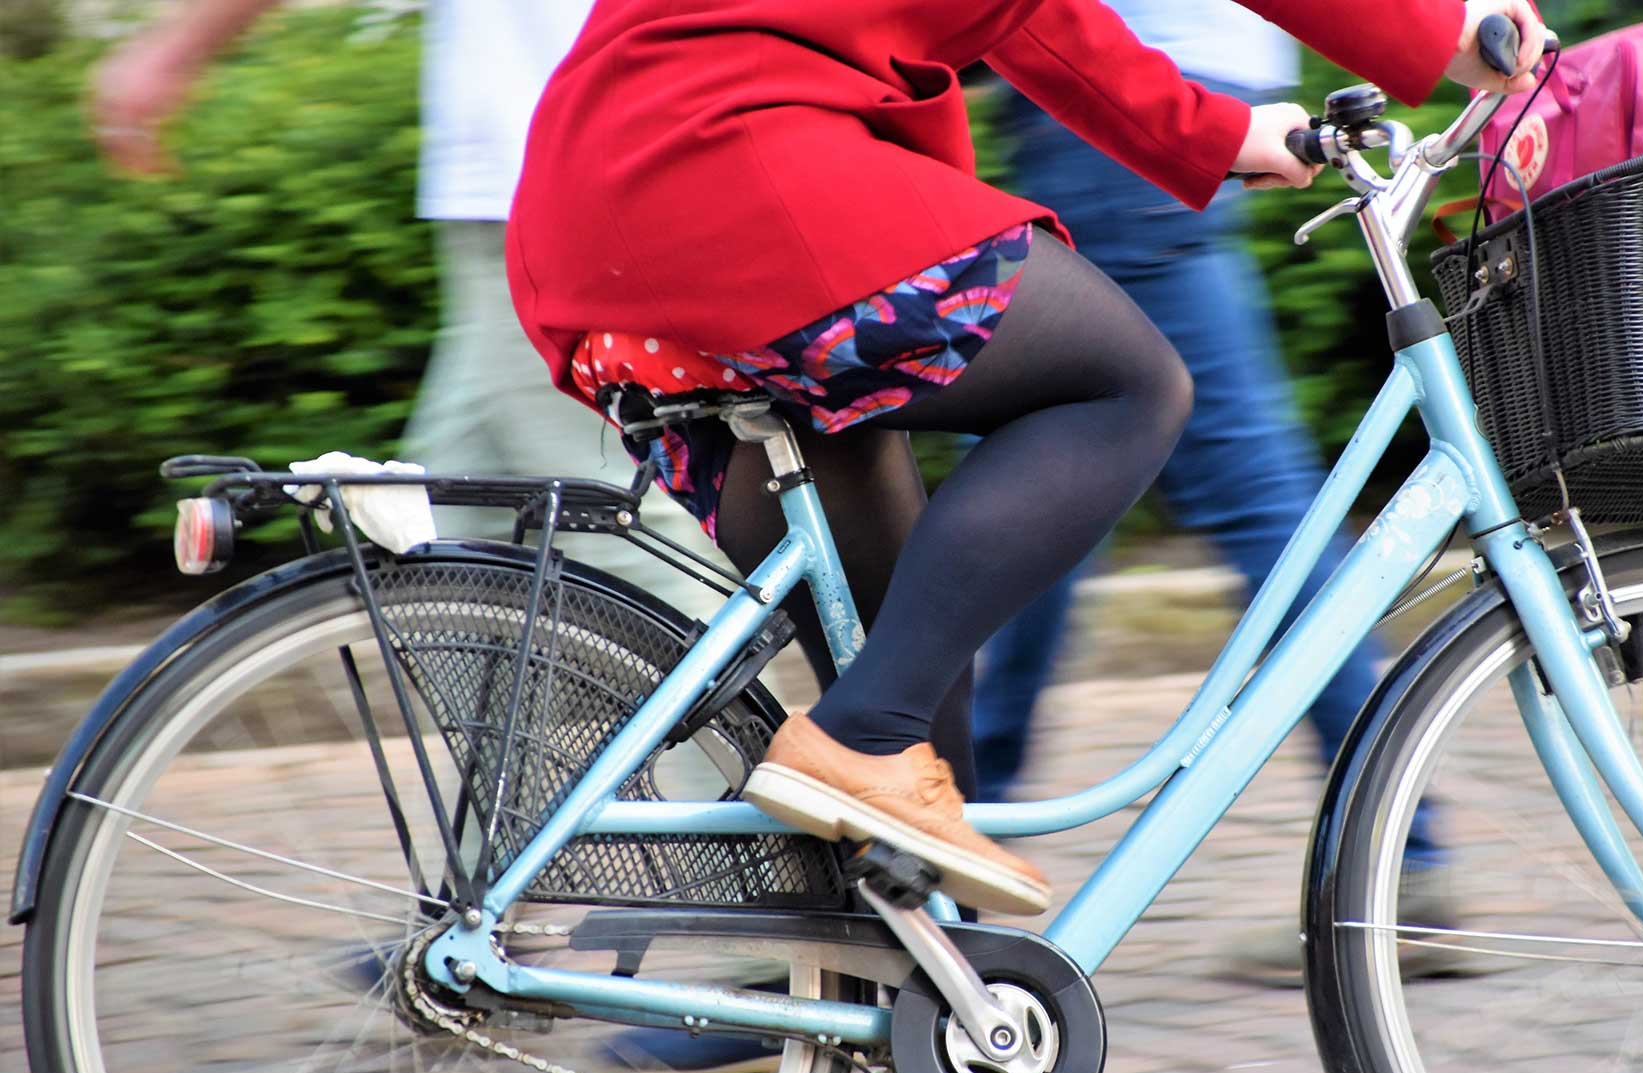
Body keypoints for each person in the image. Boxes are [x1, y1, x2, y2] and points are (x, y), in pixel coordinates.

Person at [505, 0, 1547, 928]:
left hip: (618, 206)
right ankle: (861, 741)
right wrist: (1439, 27)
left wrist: (1217, 131)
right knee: (1125, 389)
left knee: (908, 656)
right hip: (722, 170)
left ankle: (893, 1008)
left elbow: (1028, 16)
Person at [970, 0, 1449, 983]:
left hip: (1117, 112)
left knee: (1096, 492)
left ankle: (944, 835)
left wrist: (1446, 28)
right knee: (1063, 493)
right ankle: (952, 825)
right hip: (1166, 108)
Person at [91, 0, 730, 608]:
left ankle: (728, 716)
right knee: (452, 530)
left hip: (559, 185)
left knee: (611, 526)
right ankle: (598, 718)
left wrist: (171, 52)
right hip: (522, 190)